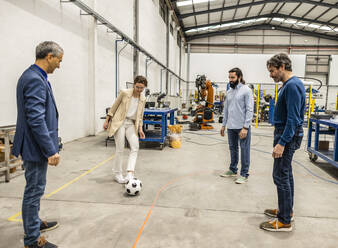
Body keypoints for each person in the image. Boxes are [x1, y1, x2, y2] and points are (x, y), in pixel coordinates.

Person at [12, 41, 63, 248]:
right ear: (49, 57)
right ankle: (33, 239)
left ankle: (34, 223)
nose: (59, 66)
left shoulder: (36, 76)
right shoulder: (34, 79)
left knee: (35, 189)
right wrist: (50, 149)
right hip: (35, 147)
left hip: (35, 145)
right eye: (59, 61)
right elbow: (35, 118)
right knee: (34, 191)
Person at [260, 53, 305, 232]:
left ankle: (284, 220)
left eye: (272, 71)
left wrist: (282, 143)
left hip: (286, 135)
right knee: (286, 174)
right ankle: (287, 211)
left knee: (280, 176)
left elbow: (293, 120)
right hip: (285, 133)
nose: (270, 75)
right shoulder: (289, 85)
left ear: (282, 67)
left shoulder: (292, 86)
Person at [104, 76, 147, 183]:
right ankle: (117, 174)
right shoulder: (125, 93)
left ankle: (129, 173)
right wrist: (107, 120)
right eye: (137, 87)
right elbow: (114, 107)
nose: (139, 90)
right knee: (120, 148)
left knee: (135, 146)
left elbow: (140, 116)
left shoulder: (143, 99)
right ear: (134, 84)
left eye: (142, 88)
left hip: (131, 124)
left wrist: (140, 129)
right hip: (120, 122)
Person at [220, 68, 253, 184]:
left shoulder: (246, 90)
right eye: (229, 77)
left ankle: (244, 174)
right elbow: (226, 110)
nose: (230, 80)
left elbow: (249, 110)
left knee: (244, 150)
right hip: (231, 126)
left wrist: (246, 127)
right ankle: (233, 169)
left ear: (239, 77)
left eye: (233, 77)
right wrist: (224, 125)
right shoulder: (229, 92)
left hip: (242, 127)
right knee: (233, 148)